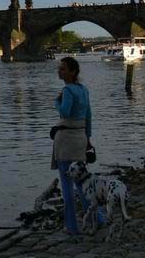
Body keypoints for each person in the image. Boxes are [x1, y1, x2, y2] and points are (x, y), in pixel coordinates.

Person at [52, 56, 98, 234]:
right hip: (80, 139)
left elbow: (65, 111)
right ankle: (98, 218)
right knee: (82, 184)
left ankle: (71, 226)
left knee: (67, 188)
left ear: (72, 72)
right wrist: (88, 138)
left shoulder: (68, 90)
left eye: (63, 69)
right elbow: (89, 117)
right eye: (59, 68)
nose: (59, 71)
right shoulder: (84, 89)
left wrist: (57, 101)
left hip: (66, 141)